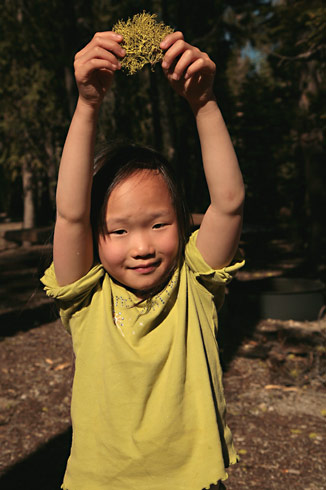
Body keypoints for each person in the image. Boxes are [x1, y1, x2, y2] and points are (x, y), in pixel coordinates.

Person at [41, 29, 245, 490]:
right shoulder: (86, 299)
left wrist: (204, 102)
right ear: (96, 237)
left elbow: (229, 202)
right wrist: (88, 103)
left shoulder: (195, 283)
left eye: (158, 224)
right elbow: (71, 212)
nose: (142, 246)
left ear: (182, 221)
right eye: (118, 230)